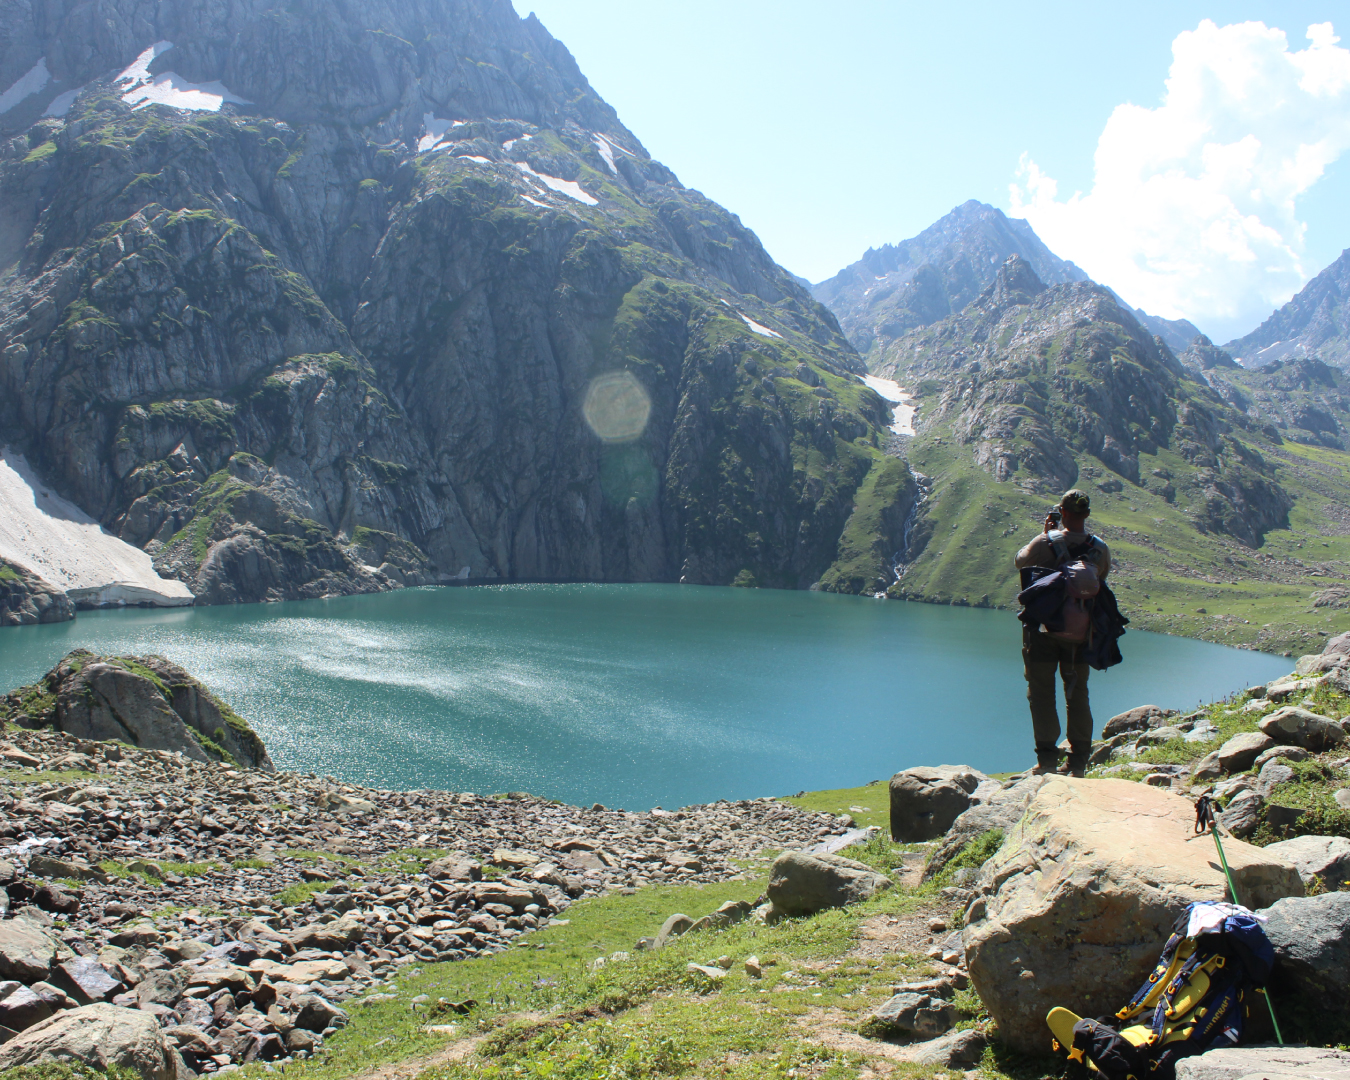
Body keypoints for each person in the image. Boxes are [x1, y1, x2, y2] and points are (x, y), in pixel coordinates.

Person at [1014, 489, 1111, 777]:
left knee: (1042, 693)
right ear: (1088, 514)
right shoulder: (1099, 548)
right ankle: (1078, 762)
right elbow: (1101, 579)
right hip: (1082, 634)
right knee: (1077, 693)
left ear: (1062, 513)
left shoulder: (1045, 541)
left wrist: (1046, 533)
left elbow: (1021, 561)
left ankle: (1047, 761)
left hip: (1044, 631)